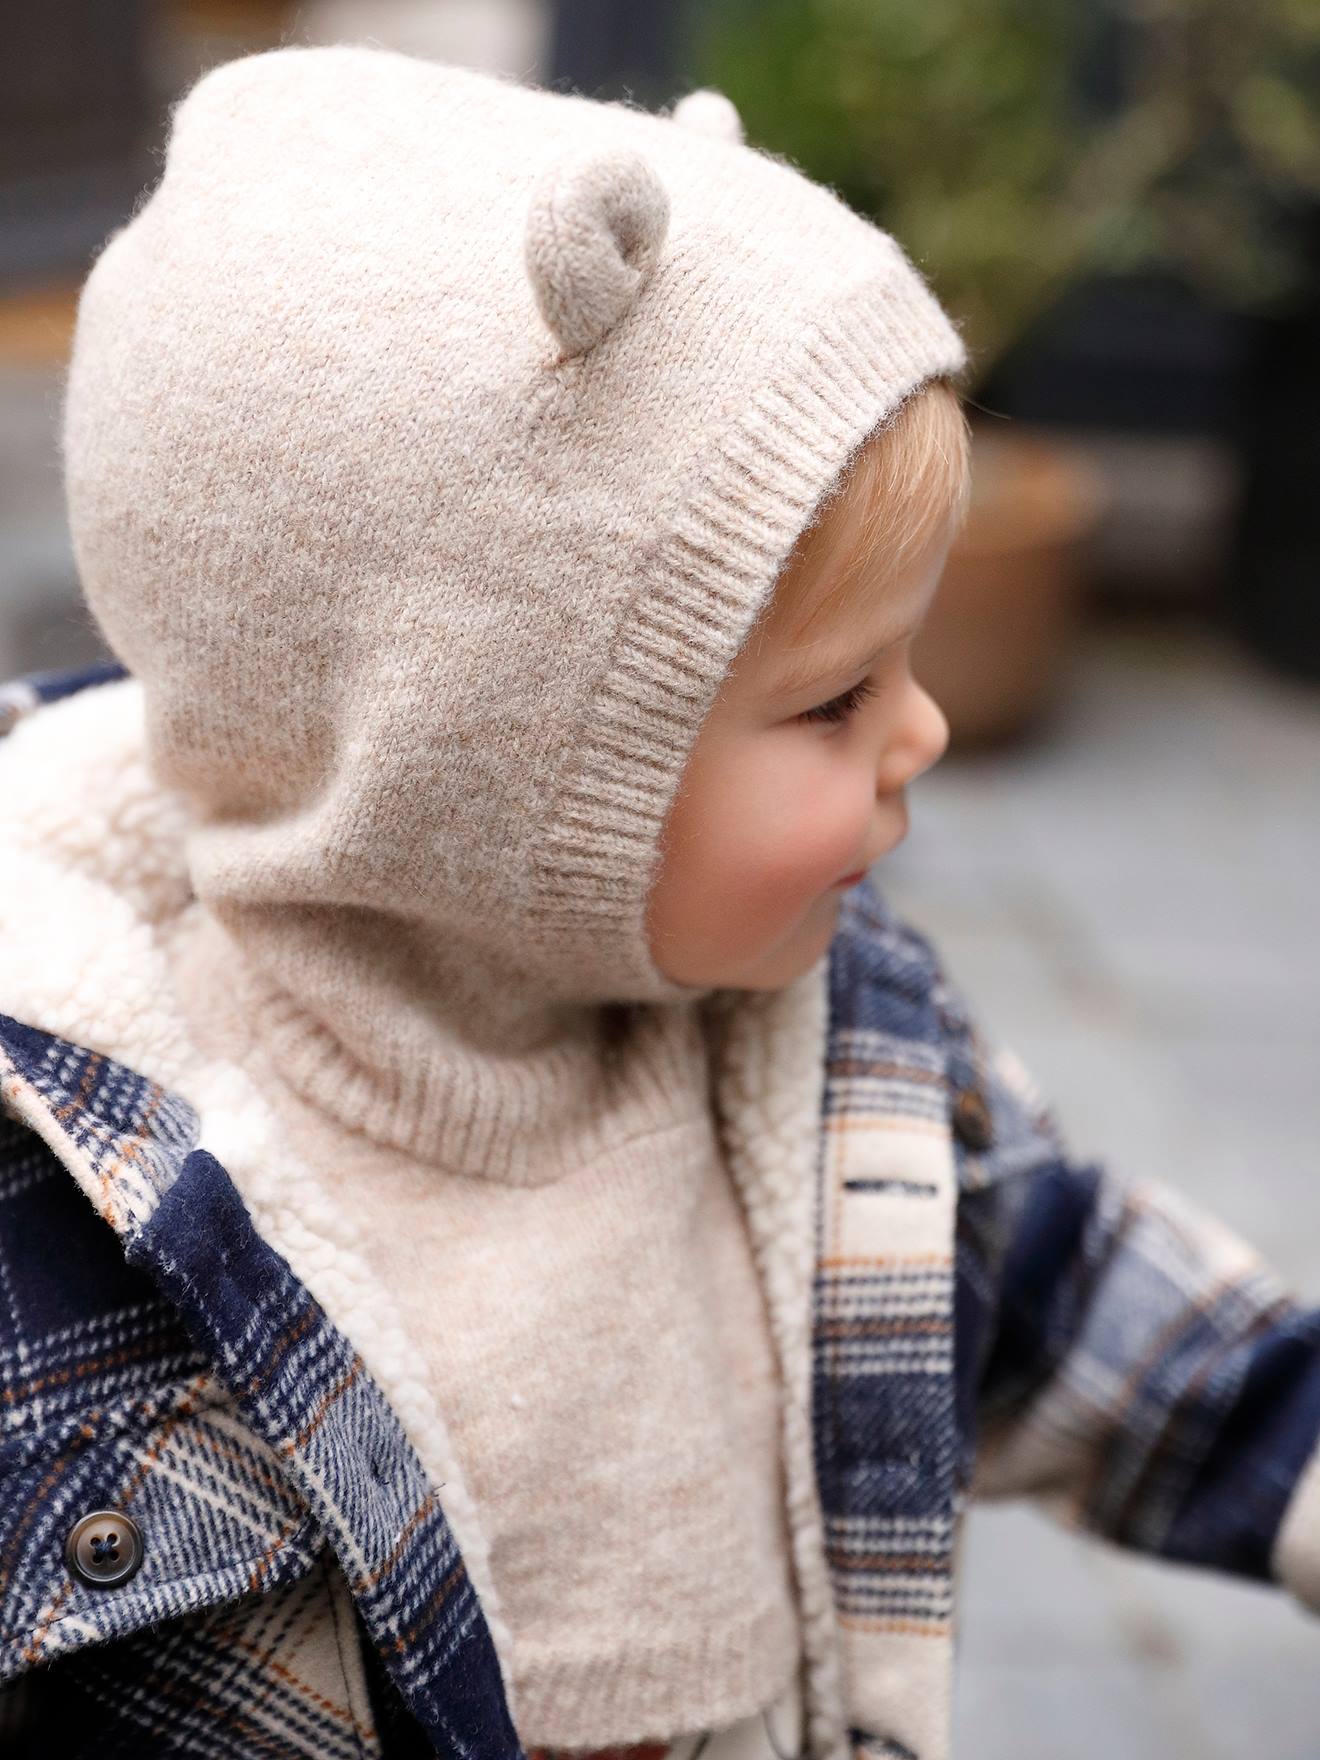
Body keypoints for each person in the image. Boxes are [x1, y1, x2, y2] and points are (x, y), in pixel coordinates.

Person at [0, 43, 1316, 1760]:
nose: (919, 731)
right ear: (479, 780)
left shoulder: (834, 1056)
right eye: (836, 701)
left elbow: (1082, 1303)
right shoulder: (80, 1216)